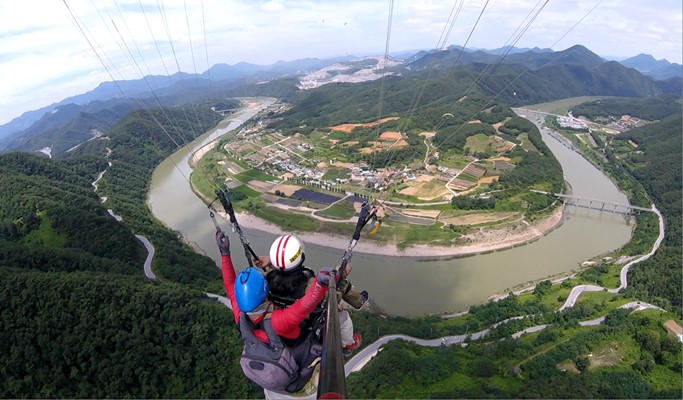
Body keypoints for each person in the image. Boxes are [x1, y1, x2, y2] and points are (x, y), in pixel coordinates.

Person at [216, 230, 334, 393]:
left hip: (267, 350)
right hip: (293, 353)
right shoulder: (278, 322)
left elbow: (229, 283)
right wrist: (320, 283)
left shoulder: (240, 313)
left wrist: (225, 253)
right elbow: (307, 304)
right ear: (265, 292)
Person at [255, 234, 367, 355]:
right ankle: (348, 344)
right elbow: (332, 295)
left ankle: (357, 301)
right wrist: (341, 275)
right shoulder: (309, 286)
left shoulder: (266, 280)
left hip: (279, 319)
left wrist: (272, 262)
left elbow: (282, 272)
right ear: (301, 256)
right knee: (343, 315)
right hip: (305, 323)